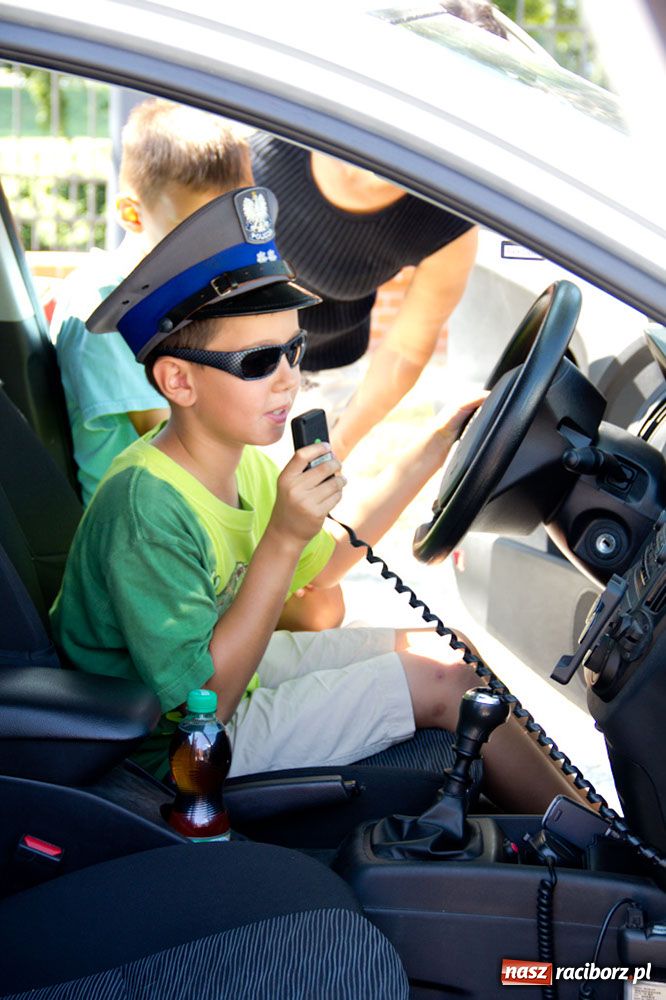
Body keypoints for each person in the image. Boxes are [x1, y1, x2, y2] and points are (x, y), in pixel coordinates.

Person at [49, 186, 585, 815]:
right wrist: (280, 536)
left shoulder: (240, 460)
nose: (289, 377)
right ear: (178, 380)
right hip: (163, 750)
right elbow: (206, 705)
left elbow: (326, 563)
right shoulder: (145, 504)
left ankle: (590, 828)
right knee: (446, 687)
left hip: (221, 677)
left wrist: (438, 446)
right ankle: (601, 856)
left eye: (294, 350)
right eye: (258, 362)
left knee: (448, 650)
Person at [51, 98, 253, 504]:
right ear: (131, 213)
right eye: (195, 231)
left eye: (233, 226)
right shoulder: (108, 311)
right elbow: (182, 447)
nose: (218, 249)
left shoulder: (174, 296)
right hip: (139, 536)